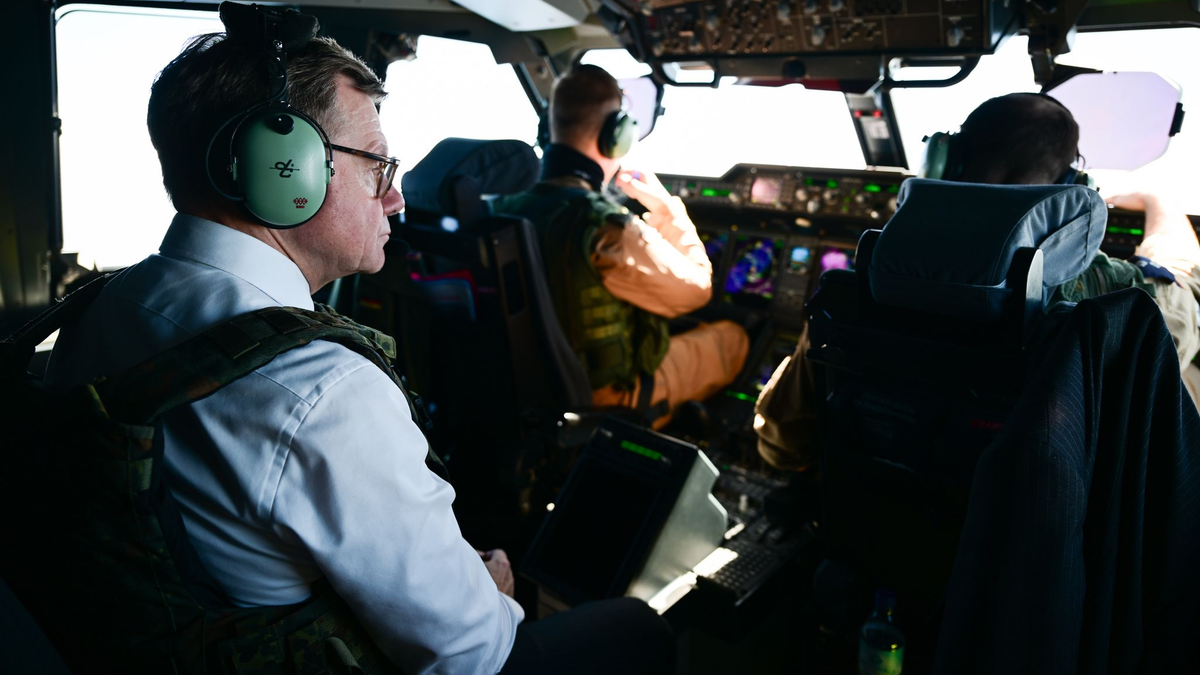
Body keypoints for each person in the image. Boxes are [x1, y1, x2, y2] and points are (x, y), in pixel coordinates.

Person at [43, 7, 672, 675]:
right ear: (282, 169)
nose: (395, 197)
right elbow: (471, 654)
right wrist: (492, 593)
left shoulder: (95, 311)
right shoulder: (319, 389)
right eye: (376, 163)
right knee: (638, 629)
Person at [755, 92, 1200, 471]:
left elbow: (780, 444)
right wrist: (1157, 199)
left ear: (946, 159)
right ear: (1070, 184)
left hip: (874, 535)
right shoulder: (1106, 297)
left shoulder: (861, 286)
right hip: (1023, 547)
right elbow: (1180, 299)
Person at [494, 65, 749, 427]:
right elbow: (696, 293)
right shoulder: (605, 227)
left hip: (520, 387)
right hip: (601, 397)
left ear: (548, 129)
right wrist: (664, 207)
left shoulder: (503, 208)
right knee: (732, 338)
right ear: (619, 136)